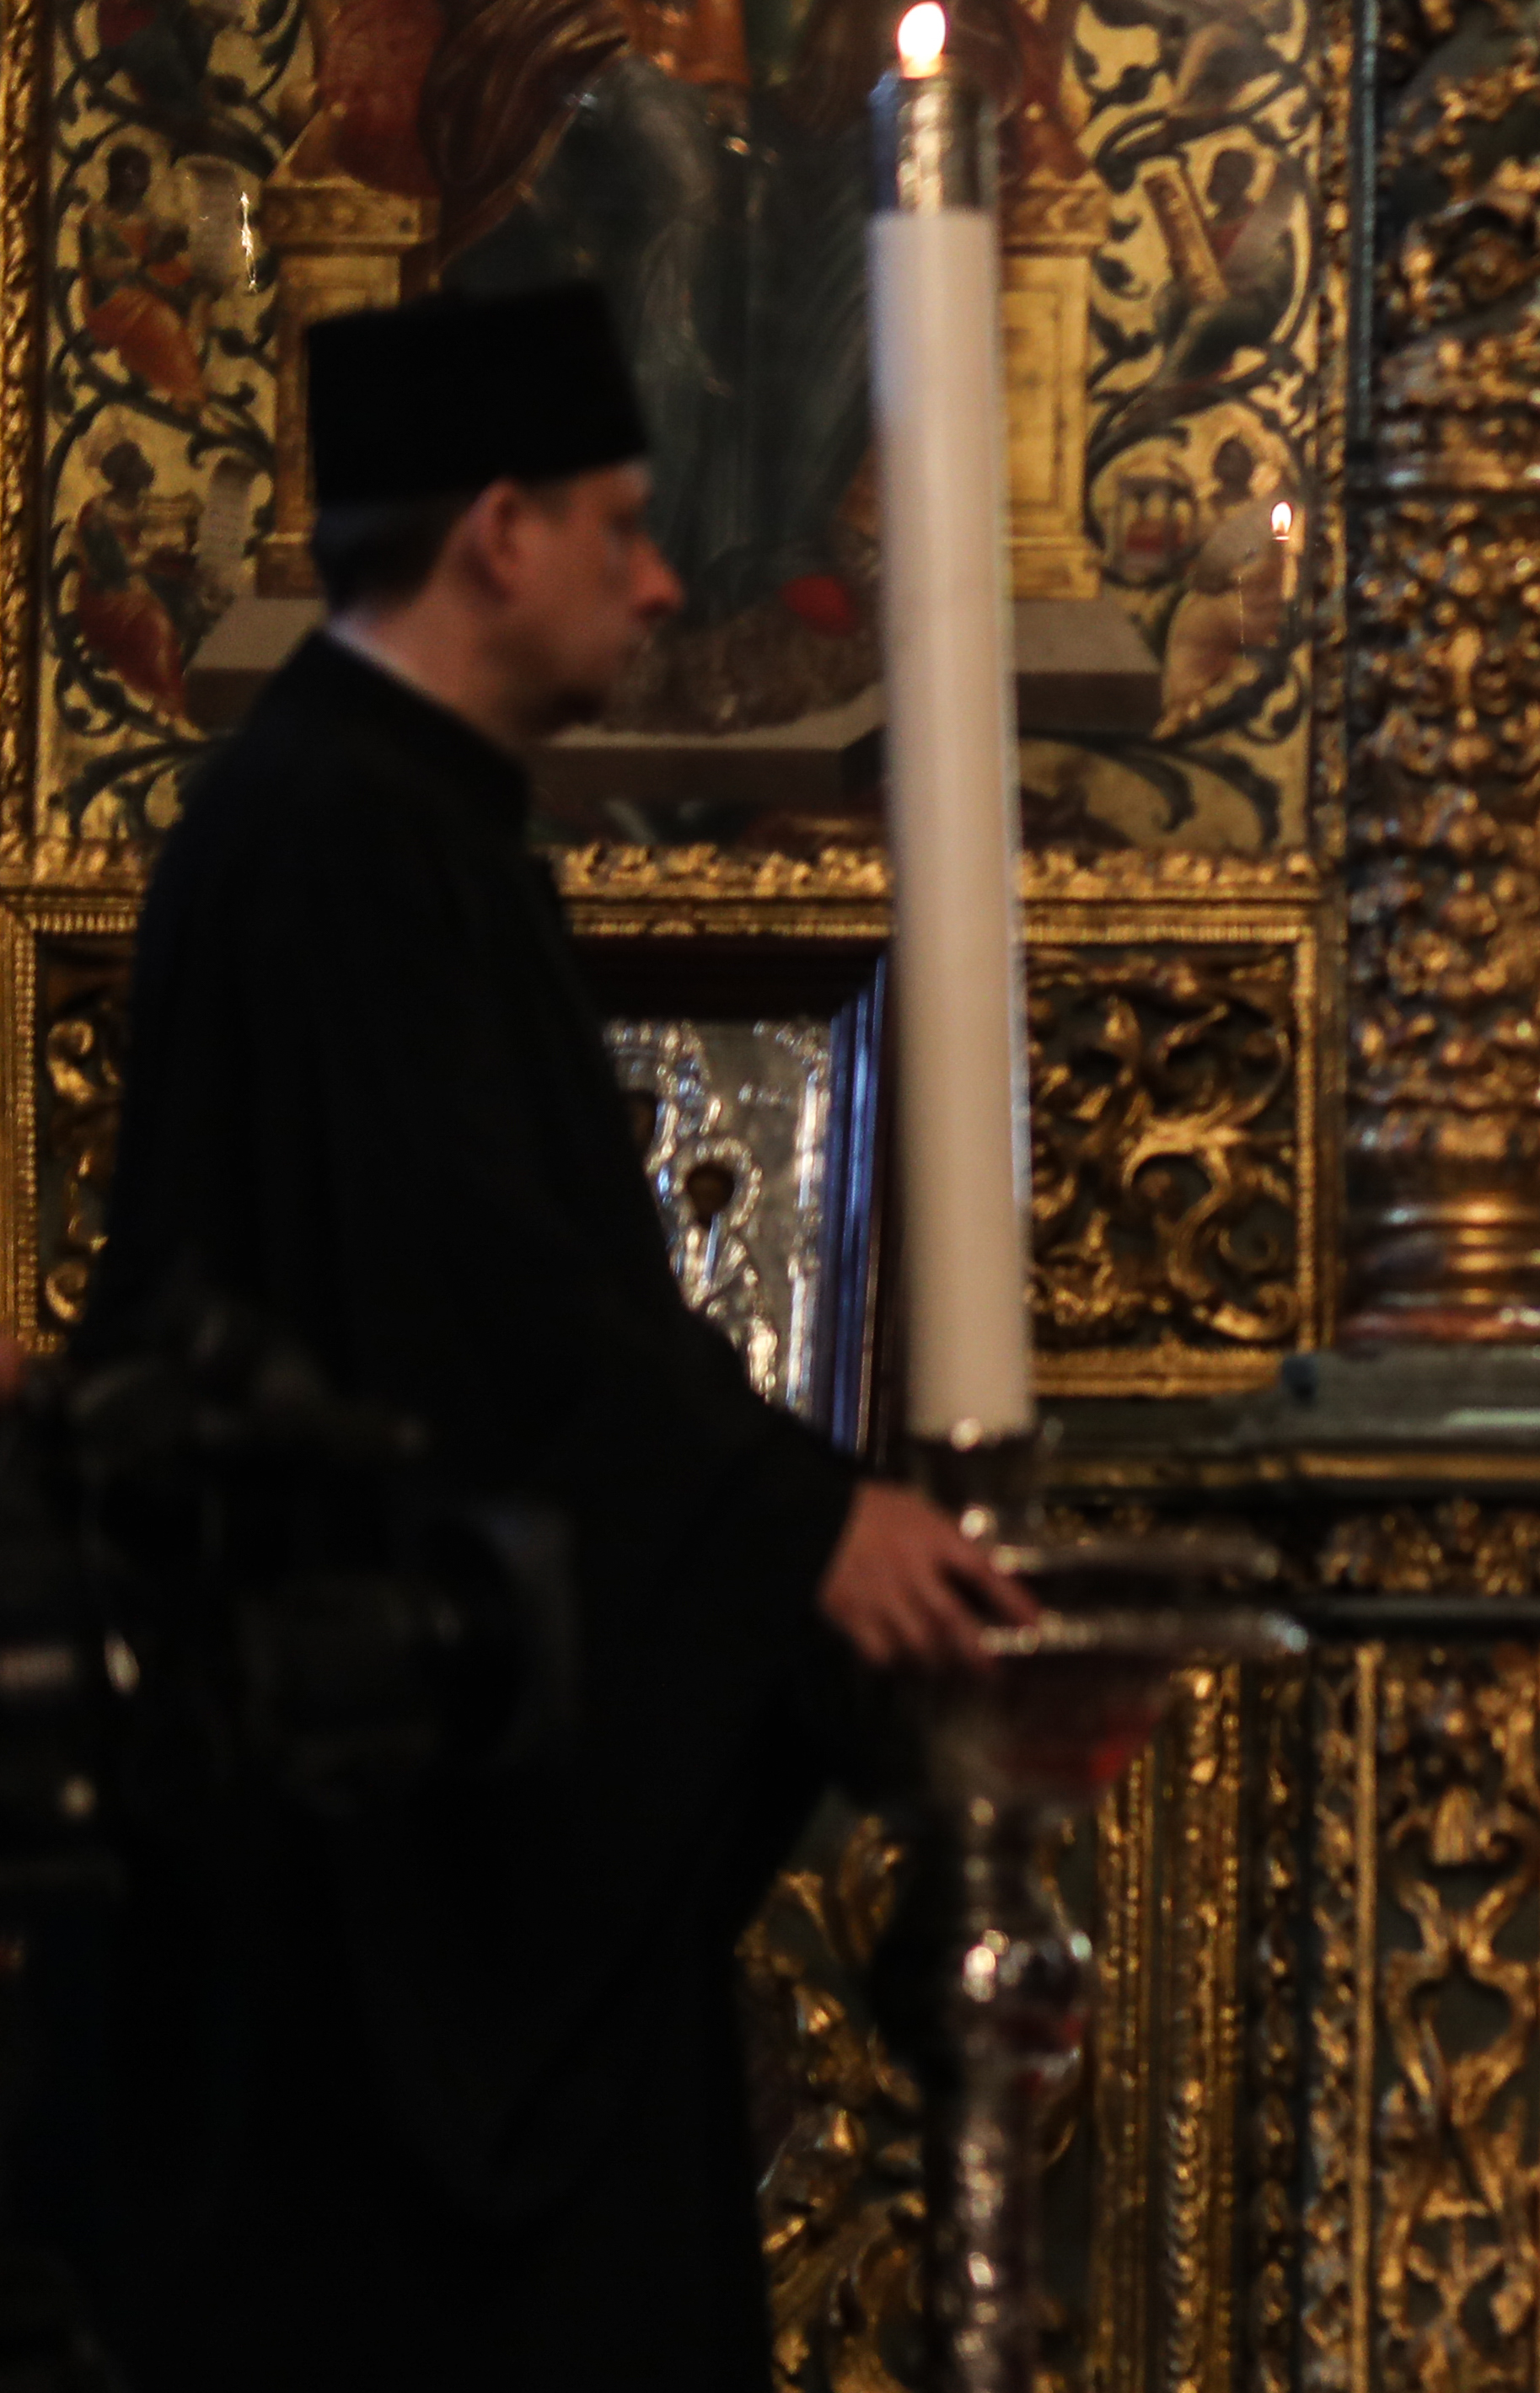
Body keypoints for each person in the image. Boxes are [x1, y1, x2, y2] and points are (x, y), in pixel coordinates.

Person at [78, 282, 1030, 2389]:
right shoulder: (340, 836)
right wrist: (801, 1527)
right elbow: (474, 1310)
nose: (668, 575)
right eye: (621, 522)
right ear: (496, 530)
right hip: (371, 1865)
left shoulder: (367, 818)